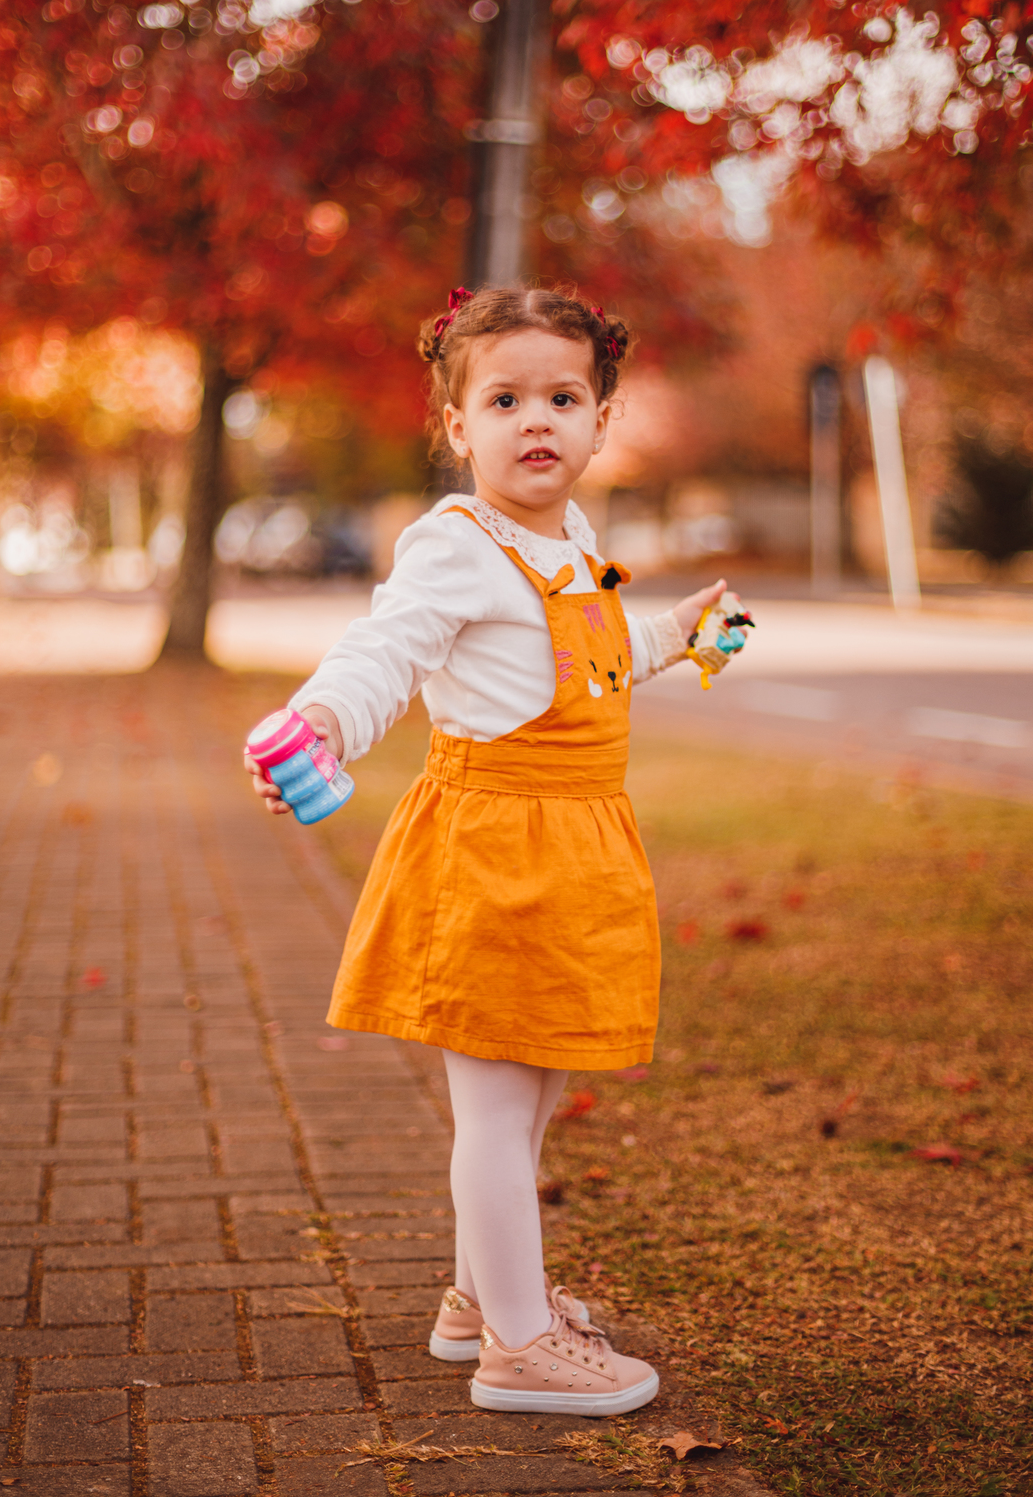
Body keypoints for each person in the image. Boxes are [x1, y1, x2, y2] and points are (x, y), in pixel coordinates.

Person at [245, 283, 737, 1415]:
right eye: (506, 397)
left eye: (564, 396)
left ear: (602, 419)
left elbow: (602, 656)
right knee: (499, 1111)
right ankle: (518, 1346)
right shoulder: (454, 545)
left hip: (575, 850)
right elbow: (386, 647)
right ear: (458, 426)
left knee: (540, 1086)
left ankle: (478, 1298)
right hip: (493, 854)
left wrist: (682, 635)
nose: (538, 421)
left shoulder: (575, 541)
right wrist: (326, 718)